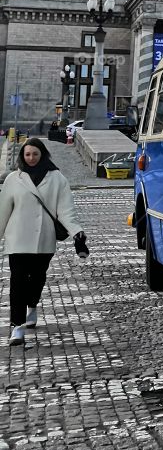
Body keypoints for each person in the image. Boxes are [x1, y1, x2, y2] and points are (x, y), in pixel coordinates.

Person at [0, 138, 88, 346]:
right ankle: (17, 326)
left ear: (42, 155)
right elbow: (3, 211)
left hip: (44, 238)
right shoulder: (14, 178)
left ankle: (32, 304)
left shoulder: (57, 178)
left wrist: (77, 232)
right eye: (27, 154)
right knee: (18, 281)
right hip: (18, 238)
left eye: (35, 154)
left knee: (37, 278)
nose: (31, 158)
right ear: (22, 156)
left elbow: (65, 210)